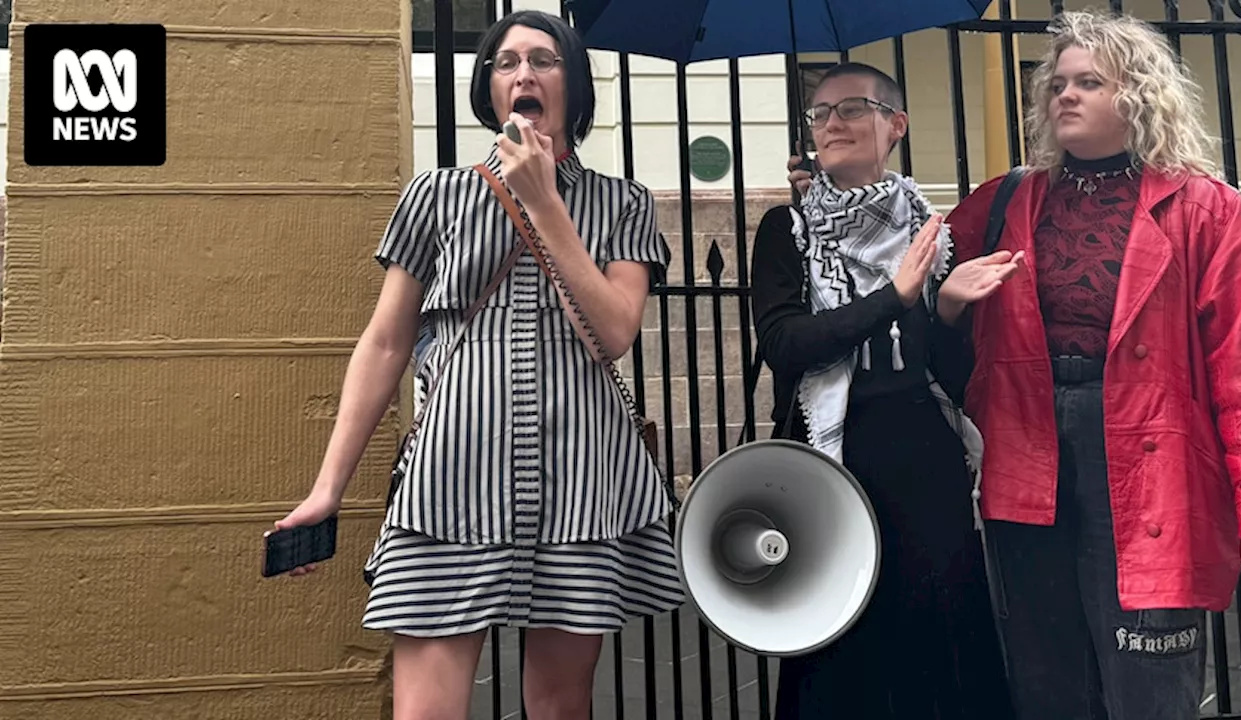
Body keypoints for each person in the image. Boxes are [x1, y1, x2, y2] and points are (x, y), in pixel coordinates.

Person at [272, 10, 683, 719]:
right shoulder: (437, 198)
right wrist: (327, 487)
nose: (524, 73)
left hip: (582, 480)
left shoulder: (622, 203)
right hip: (452, 482)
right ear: (489, 89)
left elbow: (613, 333)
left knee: (559, 705)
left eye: (544, 61)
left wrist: (545, 204)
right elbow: (384, 344)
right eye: (506, 62)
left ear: (574, 87)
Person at [939, 10, 1241, 719]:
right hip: (1024, 447)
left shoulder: (1204, 208)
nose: (1065, 94)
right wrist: (942, 301)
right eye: (1058, 83)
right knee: (1045, 672)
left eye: (1089, 82)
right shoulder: (1002, 200)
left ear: (1138, 96)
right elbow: (906, 293)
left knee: (1148, 668)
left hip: (1150, 454)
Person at [751, 61, 1019, 719]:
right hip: (830, 464)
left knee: (939, 649)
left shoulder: (935, 238)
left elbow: (953, 379)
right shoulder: (787, 232)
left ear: (894, 124)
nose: (831, 124)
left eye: (851, 109)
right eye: (819, 113)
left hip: (924, 468)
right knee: (836, 648)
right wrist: (894, 296)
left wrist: (946, 311)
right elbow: (787, 346)